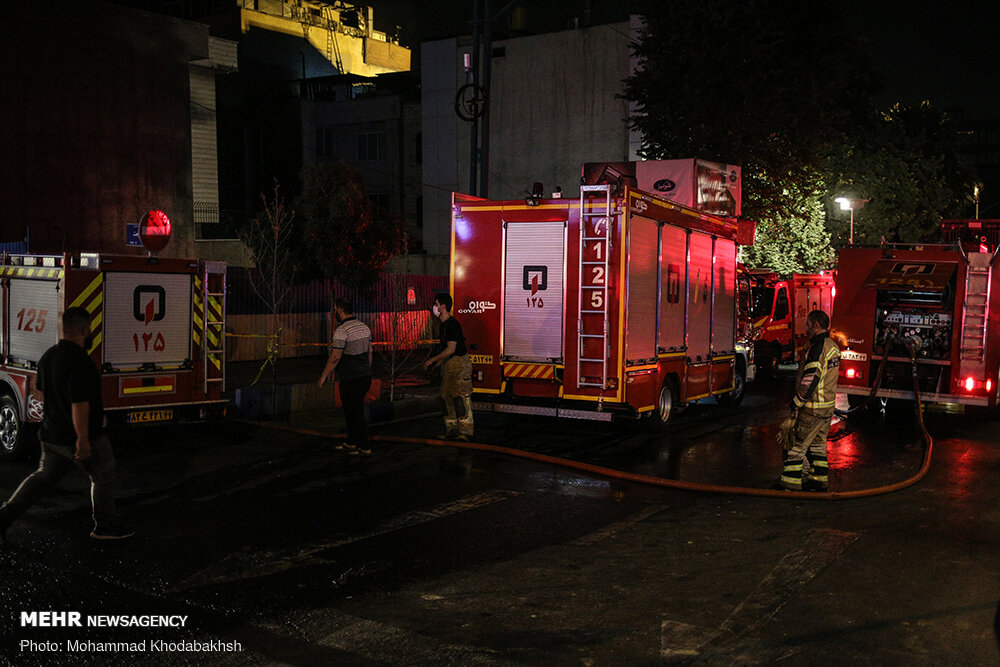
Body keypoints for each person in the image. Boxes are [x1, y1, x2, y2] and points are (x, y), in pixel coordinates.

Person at [0, 307, 133, 542]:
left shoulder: (48, 356)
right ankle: (105, 526)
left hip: (52, 436)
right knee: (103, 474)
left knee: (42, 478)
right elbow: (79, 403)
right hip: (82, 436)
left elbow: (40, 391)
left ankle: (4, 516)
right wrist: (82, 439)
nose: (90, 333)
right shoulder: (82, 362)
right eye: (89, 329)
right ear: (83, 330)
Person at [780, 309, 841, 491]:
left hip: (812, 408)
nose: (806, 328)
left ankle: (790, 484)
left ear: (815, 325)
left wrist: (796, 403)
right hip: (827, 408)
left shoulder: (818, 348)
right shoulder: (833, 346)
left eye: (807, 324)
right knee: (817, 446)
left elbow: (810, 380)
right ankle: (819, 481)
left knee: (796, 447)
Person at [317, 298, 373, 455]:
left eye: (335, 310)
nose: (335, 313)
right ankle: (351, 442)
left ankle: (364, 446)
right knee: (352, 410)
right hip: (364, 376)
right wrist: (367, 370)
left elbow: (335, 357)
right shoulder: (364, 328)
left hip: (350, 378)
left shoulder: (342, 331)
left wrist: (323, 376)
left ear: (340, 311)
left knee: (354, 412)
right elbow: (369, 353)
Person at [422, 293, 474, 441]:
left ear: (443, 307)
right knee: (445, 398)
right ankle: (452, 430)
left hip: (459, 363)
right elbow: (445, 350)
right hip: (450, 363)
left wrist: (431, 360)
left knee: (460, 398)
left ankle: (465, 432)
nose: (434, 307)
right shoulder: (443, 324)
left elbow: (451, 349)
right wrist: (438, 364)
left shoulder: (452, 324)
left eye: (436, 304)